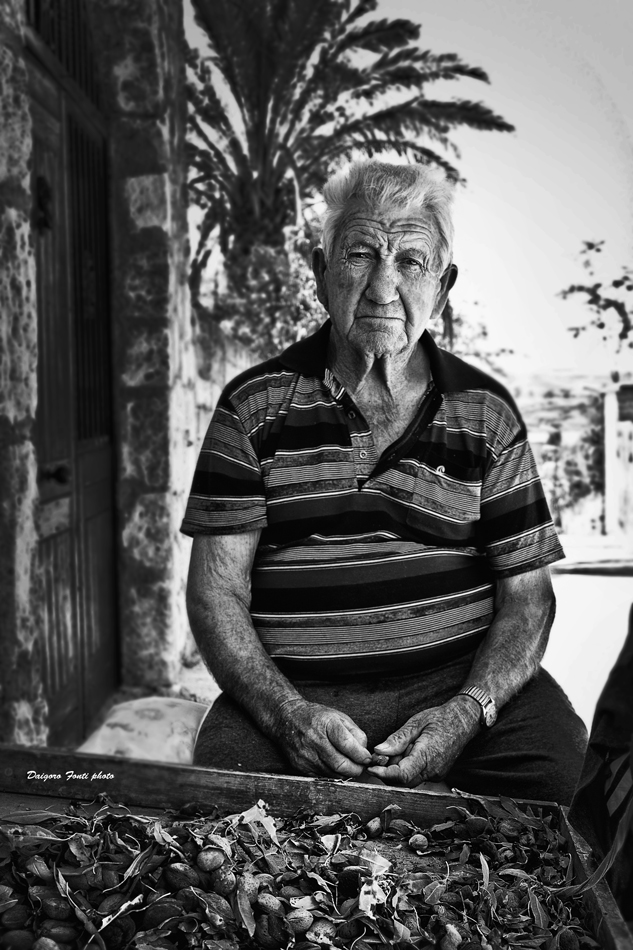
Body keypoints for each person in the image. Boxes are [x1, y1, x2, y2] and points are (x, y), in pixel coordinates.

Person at [182, 160, 587, 804]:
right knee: (220, 807)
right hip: (295, 687)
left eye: (410, 262)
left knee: (566, 789)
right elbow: (215, 594)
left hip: (458, 684)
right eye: (361, 254)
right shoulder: (253, 408)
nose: (382, 287)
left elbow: (529, 600)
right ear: (321, 273)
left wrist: (467, 712)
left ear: (443, 287)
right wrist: (287, 713)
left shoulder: (486, 414)